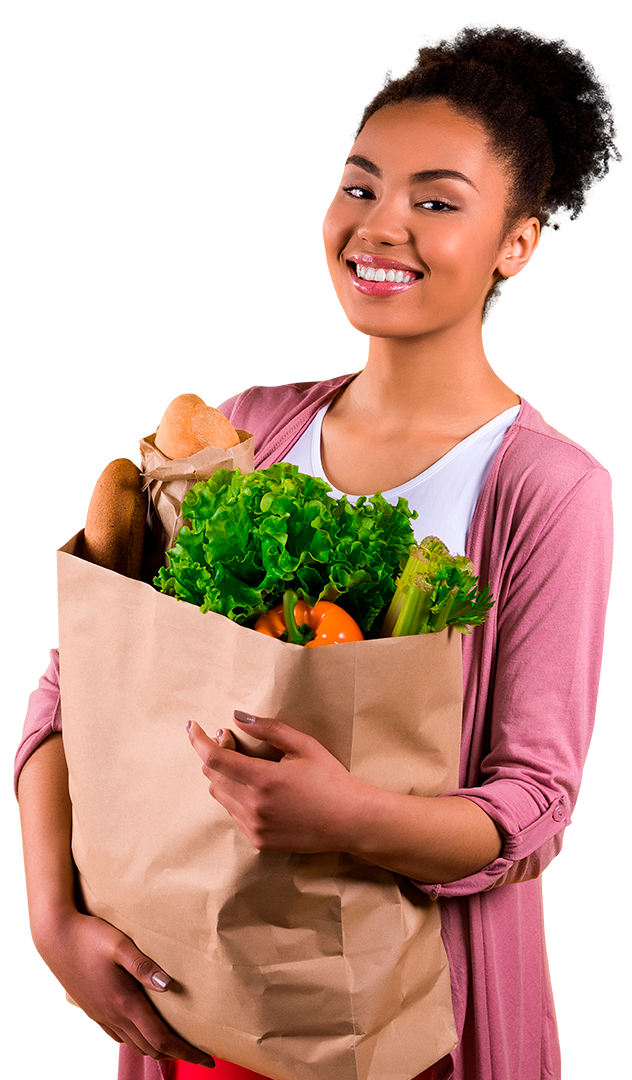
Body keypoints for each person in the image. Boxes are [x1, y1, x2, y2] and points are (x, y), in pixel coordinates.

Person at [13, 21, 623, 1080]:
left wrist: (347, 818)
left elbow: (530, 805)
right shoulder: (241, 433)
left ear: (516, 244)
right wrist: (51, 925)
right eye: (359, 187)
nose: (378, 228)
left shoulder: (549, 492)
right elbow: (75, 694)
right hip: (197, 1006)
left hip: (420, 1035)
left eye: (435, 200)